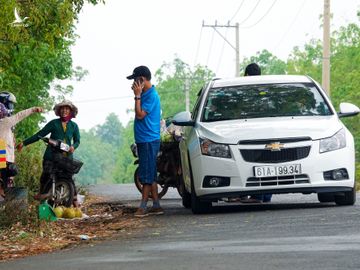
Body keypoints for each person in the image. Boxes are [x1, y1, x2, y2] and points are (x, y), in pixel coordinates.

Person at [17, 100, 80, 206]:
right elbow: (39, 134)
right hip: (51, 155)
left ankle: (74, 200)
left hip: (66, 157)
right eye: (62, 109)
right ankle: (42, 197)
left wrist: (73, 146)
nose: (64, 110)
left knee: (69, 177)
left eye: (66, 109)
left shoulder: (74, 126)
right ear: (59, 111)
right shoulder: (53, 123)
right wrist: (24, 143)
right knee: (46, 175)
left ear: (70, 111)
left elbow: (77, 140)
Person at [127, 65, 163, 217]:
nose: (134, 82)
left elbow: (140, 114)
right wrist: (138, 94)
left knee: (146, 175)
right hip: (143, 139)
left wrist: (137, 95)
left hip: (149, 139)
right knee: (150, 172)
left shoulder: (151, 95)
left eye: (136, 79)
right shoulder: (145, 93)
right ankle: (156, 205)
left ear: (142, 79)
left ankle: (143, 206)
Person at [0, 91, 43, 197]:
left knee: (6, 179)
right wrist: (33, 109)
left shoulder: (6, 125)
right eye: (10, 104)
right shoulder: (4, 122)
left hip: (3, 156)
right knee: (4, 180)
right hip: (2, 157)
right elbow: (19, 116)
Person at [241, 63, 272, 203]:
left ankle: (257, 196)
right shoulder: (266, 88)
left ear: (246, 75)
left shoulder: (246, 91)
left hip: (252, 133)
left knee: (256, 163)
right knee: (269, 163)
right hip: (269, 131)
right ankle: (265, 196)